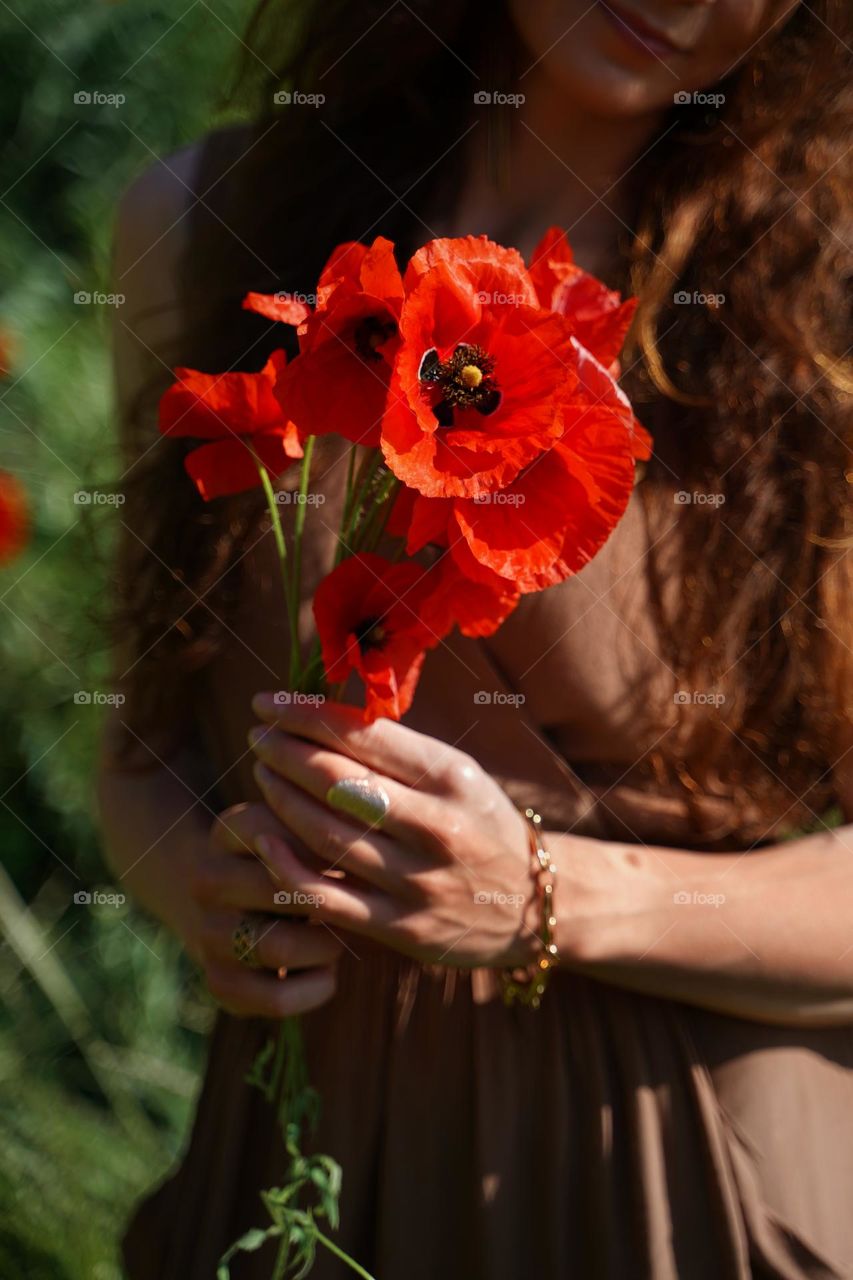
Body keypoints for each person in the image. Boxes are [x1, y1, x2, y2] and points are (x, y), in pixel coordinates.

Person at [100, 1, 853, 1275]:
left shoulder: (822, 314)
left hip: (682, 1183)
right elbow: (142, 742)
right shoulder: (199, 218)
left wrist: (546, 898)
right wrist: (206, 889)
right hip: (310, 1154)